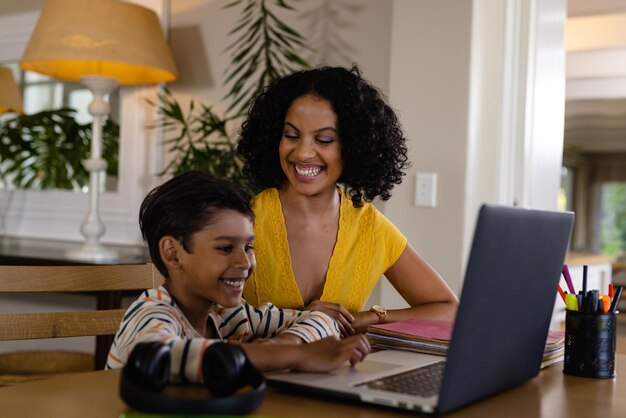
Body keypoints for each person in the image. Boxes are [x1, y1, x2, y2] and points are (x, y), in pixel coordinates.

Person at [237, 65, 458, 336]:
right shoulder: (241, 219)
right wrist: (297, 319)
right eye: (291, 135)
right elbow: (192, 312)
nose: (303, 153)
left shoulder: (371, 228)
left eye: (325, 139)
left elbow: (448, 310)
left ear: (353, 146)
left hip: (338, 375)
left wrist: (367, 319)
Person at [105, 171, 370, 380]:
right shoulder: (151, 313)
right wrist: (294, 355)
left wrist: (281, 345)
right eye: (225, 248)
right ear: (173, 254)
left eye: (248, 247)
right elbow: (162, 357)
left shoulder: (231, 314)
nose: (244, 262)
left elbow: (323, 318)